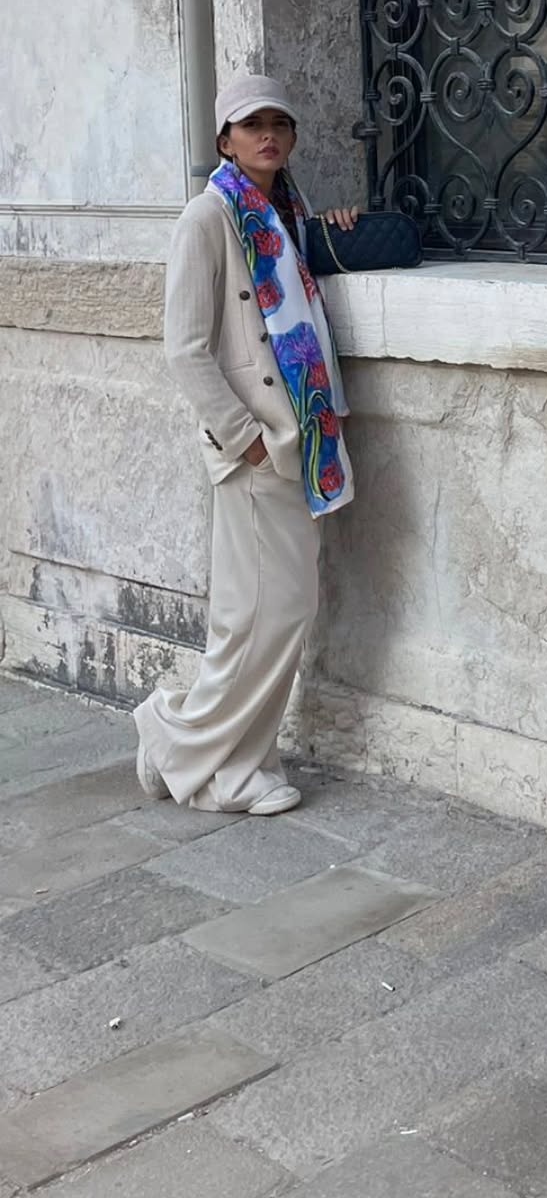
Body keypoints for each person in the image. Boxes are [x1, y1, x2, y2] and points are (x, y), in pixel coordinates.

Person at [131, 74, 360, 816]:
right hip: (260, 447)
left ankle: (223, 756)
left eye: (279, 124)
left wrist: (341, 224)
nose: (267, 135)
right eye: (251, 124)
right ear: (225, 140)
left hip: (303, 441)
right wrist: (247, 441)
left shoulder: (288, 212)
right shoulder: (208, 217)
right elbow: (185, 349)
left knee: (270, 616)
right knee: (264, 616)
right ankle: (199, 753)